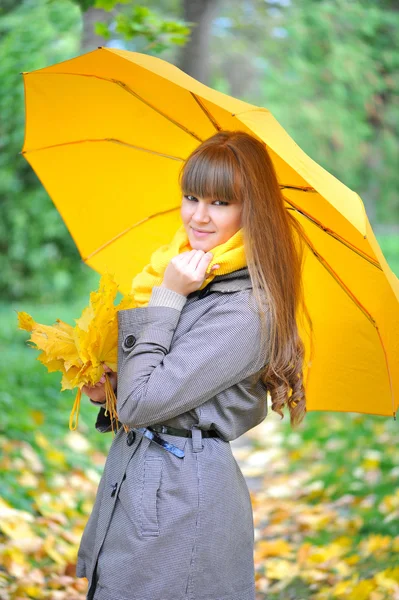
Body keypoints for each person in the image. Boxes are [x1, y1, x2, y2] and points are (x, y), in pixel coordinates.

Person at [76, 130, 308, 600]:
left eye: (220, 203)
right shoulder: (200, 275)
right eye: (191, 196)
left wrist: (168, 297)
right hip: (144, 477)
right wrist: (115, 390)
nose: (199, 216)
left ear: (251, 211)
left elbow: (147, 403)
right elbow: (156, 390)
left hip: (181, 500)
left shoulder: (247, 311)